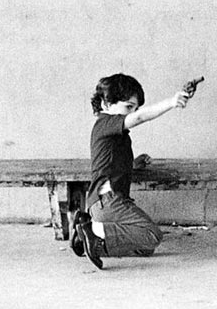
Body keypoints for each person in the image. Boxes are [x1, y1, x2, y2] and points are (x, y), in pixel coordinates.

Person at [72, 73, 196, 269]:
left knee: (144, 247)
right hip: (109, 202)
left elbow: (111, 164)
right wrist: (172, 102)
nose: (132, 113)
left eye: (134, 108)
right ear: (105, 104)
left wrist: (134, 164)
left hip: (105, 203)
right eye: (128, 107)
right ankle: (94, 230)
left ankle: (87, 238)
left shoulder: (113, 133)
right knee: (151, 235)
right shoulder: (105, 123)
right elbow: (140, 117)